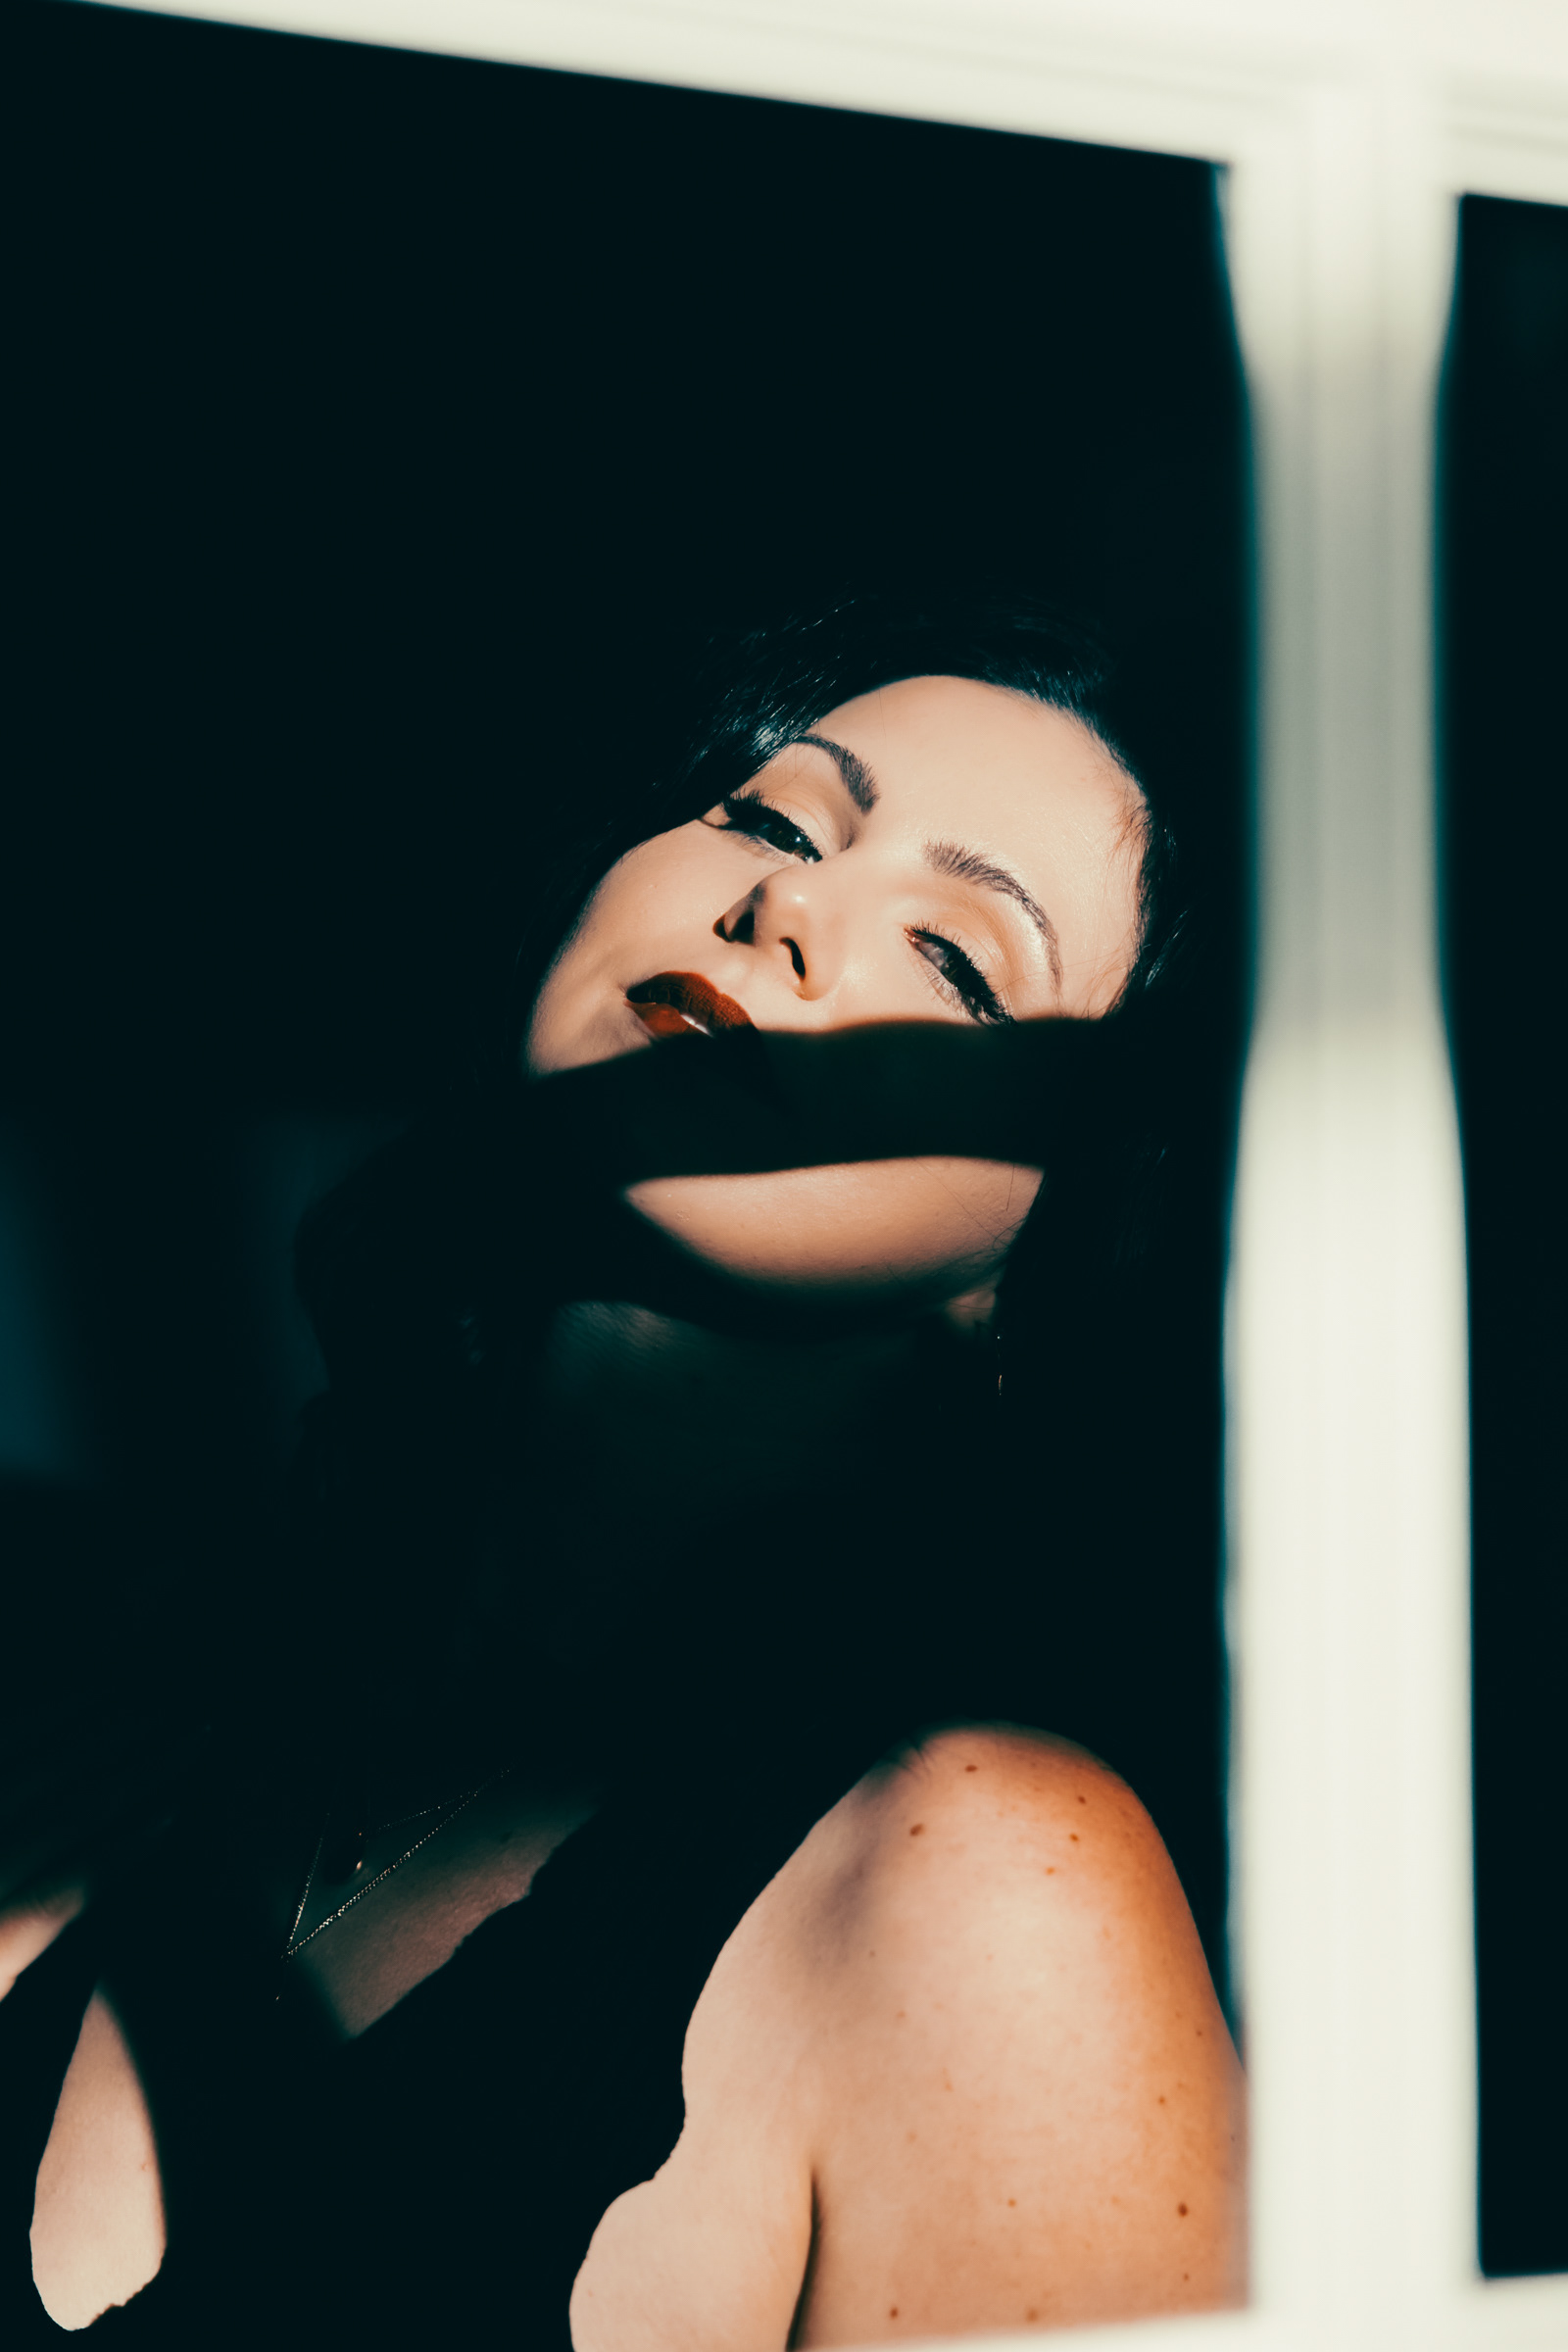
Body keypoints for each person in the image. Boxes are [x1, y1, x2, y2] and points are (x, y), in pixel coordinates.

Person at [2, 595, 1245, 2345]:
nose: (787, 908)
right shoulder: (152, 1712)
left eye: (959, 960)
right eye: (773, 819)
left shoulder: (988, 1893)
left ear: (1055, 1246)